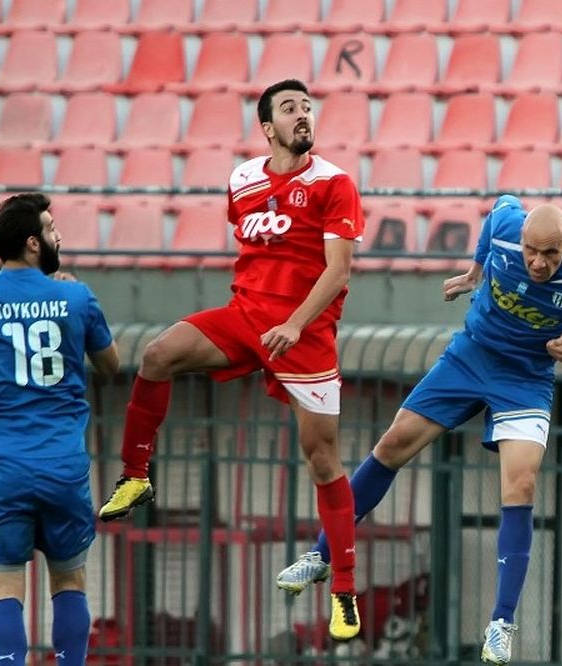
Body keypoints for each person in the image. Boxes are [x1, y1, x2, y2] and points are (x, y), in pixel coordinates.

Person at [273, 196, 562, 665]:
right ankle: (322, 553)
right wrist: (476, 273)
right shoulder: (505, 226)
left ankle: (501, 622)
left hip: (525, 378)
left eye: (550, 255)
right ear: (520, 240)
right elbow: (499, 207)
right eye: (531, 251)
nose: (538, 263)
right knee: (392, 444)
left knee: (521, 483)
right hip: (470, 356)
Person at [95, 79, 364, 640]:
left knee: (322, 459)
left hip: (305, 335)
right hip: (246, 318)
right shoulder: (242, 180)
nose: (303, 115)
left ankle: (343, 588)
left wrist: (295, 322)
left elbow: (336, 270)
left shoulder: (334, 183)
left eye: (308, 107)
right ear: (268, 126)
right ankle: (136, 474)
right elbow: (255, 253)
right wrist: (267, 316)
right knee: (157, 354)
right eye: (290, 108)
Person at [0, 193, 120, 666]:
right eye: (53, 229)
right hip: (62, 464)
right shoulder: (76, 296)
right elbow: (111, 366)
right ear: (34, 243)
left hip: (4, 464)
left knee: (4, 585)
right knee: (69, 580)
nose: (60, 236)